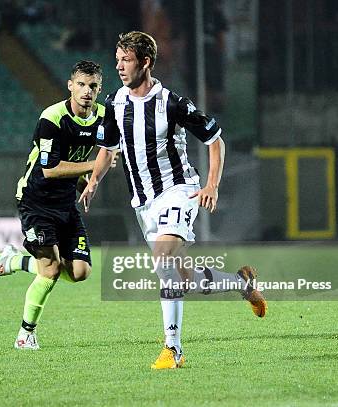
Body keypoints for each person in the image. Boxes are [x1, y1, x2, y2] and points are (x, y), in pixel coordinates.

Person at [79, 31, 267, 369]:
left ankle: (173, 349)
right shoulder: (113, 103)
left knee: (163, 260)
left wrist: (211, 185)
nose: (119, 66)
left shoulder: (172, 103)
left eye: (127, 60)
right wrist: (93, 180)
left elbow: (215, 140)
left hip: (179, 190)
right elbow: (108, 149)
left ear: (145, 62)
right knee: (182, 278)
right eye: (118, 59)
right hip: (144, 203)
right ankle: (242, 283)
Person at [0, 60, 116, 350]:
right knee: (51, 270)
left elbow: (106, 150)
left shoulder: (105, 116)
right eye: (81, 84)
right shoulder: (52, 117)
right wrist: (94, 166)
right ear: (70, 85)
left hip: (66, 203)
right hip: (36, 201)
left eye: (93, 86)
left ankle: (14, 261)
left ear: (99, 89)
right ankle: (25, 334)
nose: (86, 91)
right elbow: (50, 168)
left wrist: (87, 181)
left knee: (80, 272)